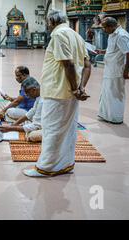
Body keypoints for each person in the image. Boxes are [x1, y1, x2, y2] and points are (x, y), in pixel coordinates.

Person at [23, 10, 92, 178]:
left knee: (52, 129)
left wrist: (76, 88)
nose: (47, 25)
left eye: (47, 22)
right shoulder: (76, 36)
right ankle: (65, 163)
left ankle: (46, 167)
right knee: (68, 130)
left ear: (51, 22)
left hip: (57, 92)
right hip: (70, 93)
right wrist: (81, 88)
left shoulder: (59, 35)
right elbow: (87, 64)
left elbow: (67, 64)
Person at [98, 17, 129, 124]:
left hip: (117, 70)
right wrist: (101, 51)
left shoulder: (121, 36)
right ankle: (107, 115)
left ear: (111, 26)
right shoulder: (112, 34)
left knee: (116, 94)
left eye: (105, 28)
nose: (104, 30)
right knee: (107, 92)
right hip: (109, 69)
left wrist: (126, 71)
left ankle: (116, 118)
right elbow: (113, 50)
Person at [0, 77, 43, 142]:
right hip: (39, 121)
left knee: (32, 136)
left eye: (27, 93)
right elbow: (31, 112)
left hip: (50, 128)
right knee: (27, 124)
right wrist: (14, 125)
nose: (27, 96)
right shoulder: (39, 97)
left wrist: (11, 128)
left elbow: (36, 125)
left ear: (34, 90)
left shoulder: (42, 101)